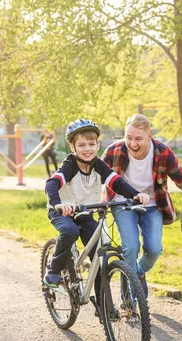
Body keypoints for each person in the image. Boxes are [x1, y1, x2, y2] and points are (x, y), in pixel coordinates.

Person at [102, 114, 182, 297]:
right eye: (128, 138)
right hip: (122, 202)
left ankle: (137, 273)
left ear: (149, 136)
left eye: (138, 139)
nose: (133, 144)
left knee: (153, 249)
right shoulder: (114, 151)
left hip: (152, 204)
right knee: (130, 247)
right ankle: (130, 300)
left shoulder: (162, 152)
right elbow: (95, 176)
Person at [43, 119, 150, 287]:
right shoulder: (69, 165)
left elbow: (116, 182)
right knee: (70, 231)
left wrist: (135, 195)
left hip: (85, 214)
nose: (87, 149)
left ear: (97, 145)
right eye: (82, 145)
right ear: (73, 148)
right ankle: (54, 269)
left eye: (91, 144)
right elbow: (52, 183)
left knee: (99, 260)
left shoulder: (98, 165)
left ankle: (104, 309)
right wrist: (57, 204)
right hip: (62, 212)